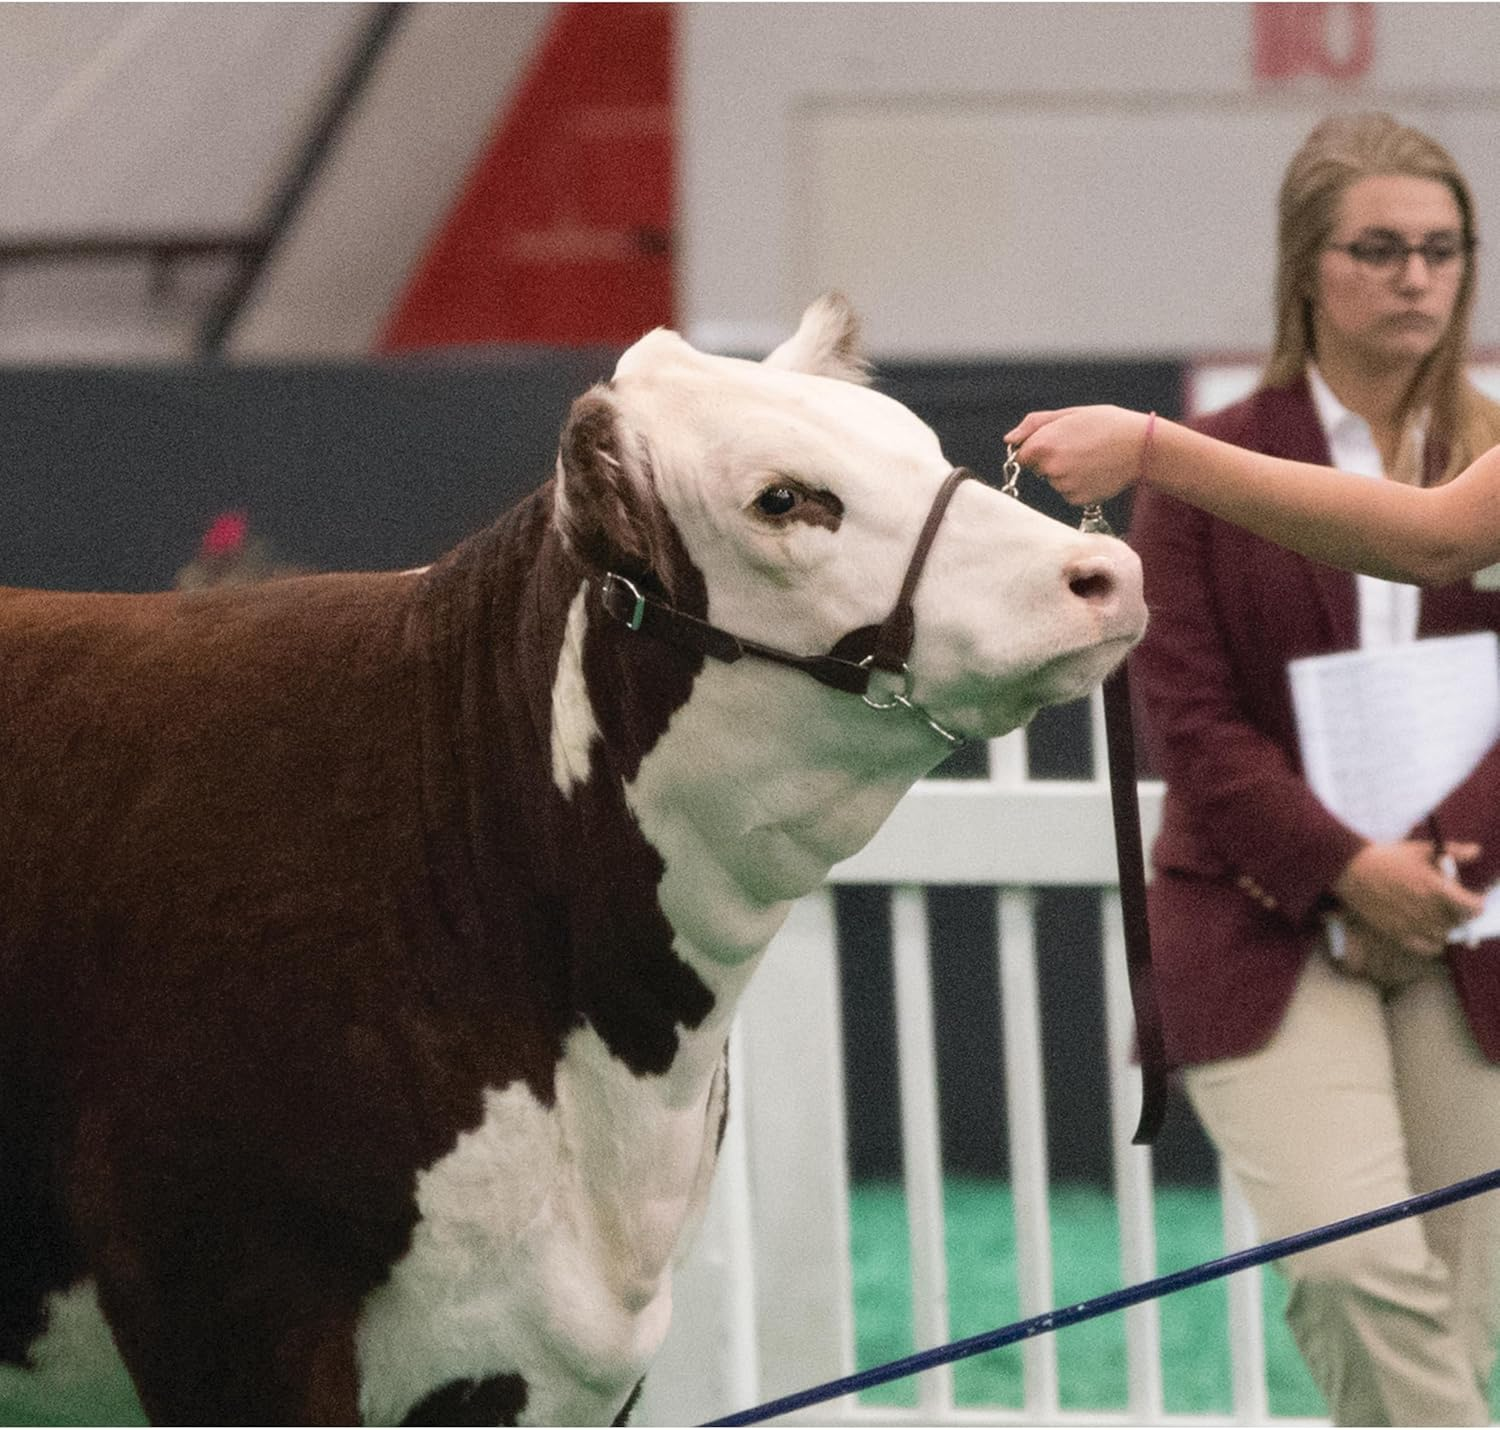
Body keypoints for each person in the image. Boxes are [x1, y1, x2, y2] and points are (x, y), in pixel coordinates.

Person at [1019, 113, 1500, 1426]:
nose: (1416, 276)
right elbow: (1190, 713)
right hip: (1261, 912)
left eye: (1443, 249)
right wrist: (1346, 869)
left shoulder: (1480, 445)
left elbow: (1437, 540)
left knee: (1447, 1312)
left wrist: (1448, 859)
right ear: (1307, 265)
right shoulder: (1234, 453)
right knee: (1357, 1268)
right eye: (1381, 247)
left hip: (1474, 913)